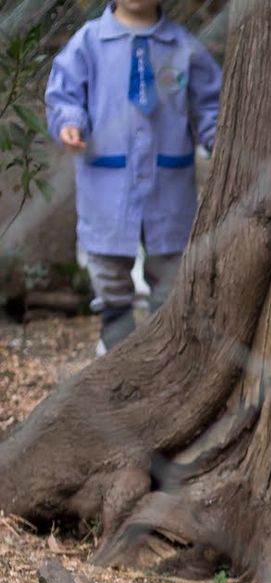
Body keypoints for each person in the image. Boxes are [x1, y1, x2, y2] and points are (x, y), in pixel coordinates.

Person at [45, 0, 222, 356]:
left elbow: (209, 103)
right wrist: (69, 123)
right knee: (107, 262)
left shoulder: (183, 46)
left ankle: (166, 336)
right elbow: (64, 94)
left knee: (170, 264)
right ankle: (115, 330)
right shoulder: (88, 42)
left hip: (168, 182)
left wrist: (216, 136)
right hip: (108, 181)